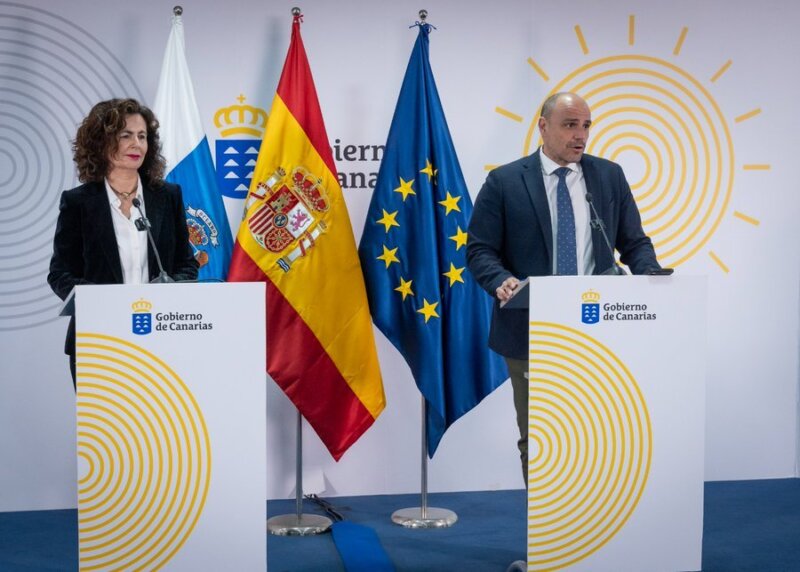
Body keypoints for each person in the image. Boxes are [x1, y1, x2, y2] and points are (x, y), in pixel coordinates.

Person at [466, 92, 661, 483]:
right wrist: (500, 280)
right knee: (540, 436)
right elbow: (480, 249)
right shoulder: (505, 181)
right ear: (543, 127)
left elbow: (634, 242)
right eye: (570, 125)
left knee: (601, 432)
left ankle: (596, 525)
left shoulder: (608, 176)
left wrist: (652, 277)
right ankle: (549, 536)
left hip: (601, 324)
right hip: (530, 328)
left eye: (586, 125)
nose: (581, 135)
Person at [48, 98, 199, 386]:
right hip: (98, 339)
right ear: (101, 143)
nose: (137, 144)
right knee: (109, 429)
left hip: (162, 335)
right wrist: (100, 302)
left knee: (161, 426)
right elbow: (60, 273)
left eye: (142, 136)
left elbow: (186, 264)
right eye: (125, 135)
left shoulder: (167, 197)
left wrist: (171, 291)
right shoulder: (78, 202)